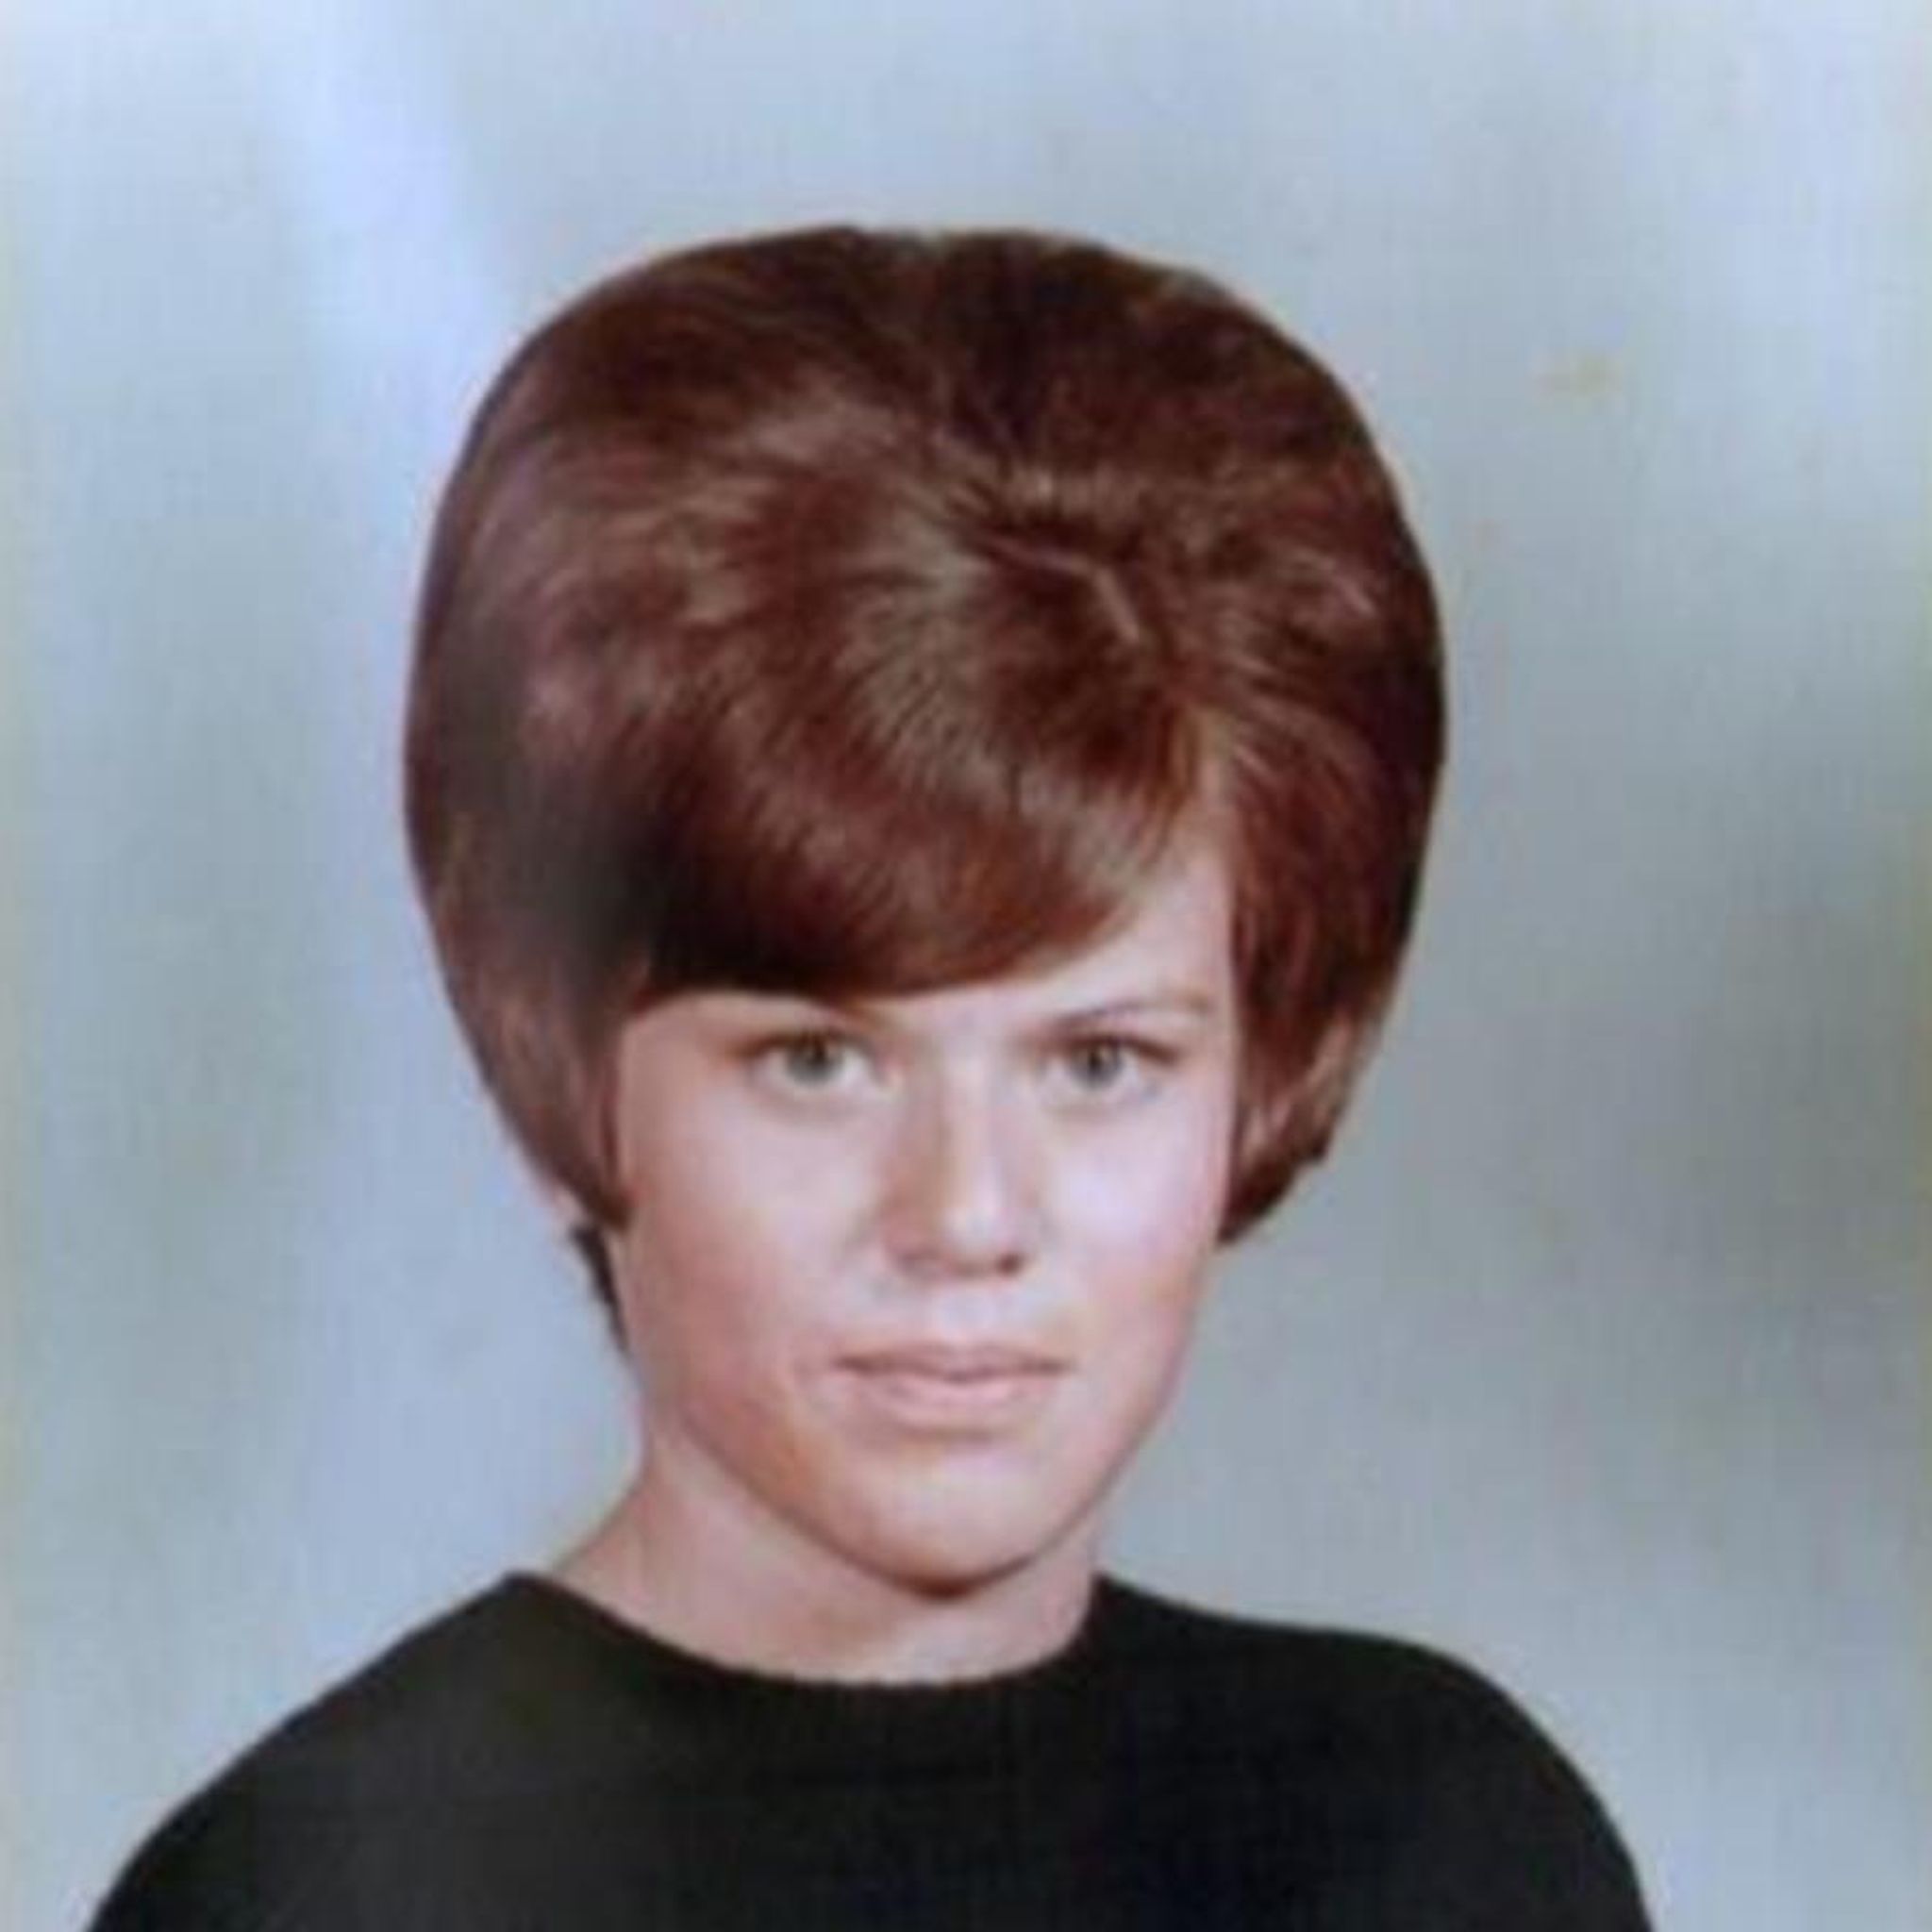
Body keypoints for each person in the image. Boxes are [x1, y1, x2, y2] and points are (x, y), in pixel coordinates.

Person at [91, 225, 1650, 1929]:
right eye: (818, 1060)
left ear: (1260, 1080)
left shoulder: (1439, 1838)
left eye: (1100, 1061)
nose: (966, 1216)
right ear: (552, 1081)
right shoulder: (318, 1891)